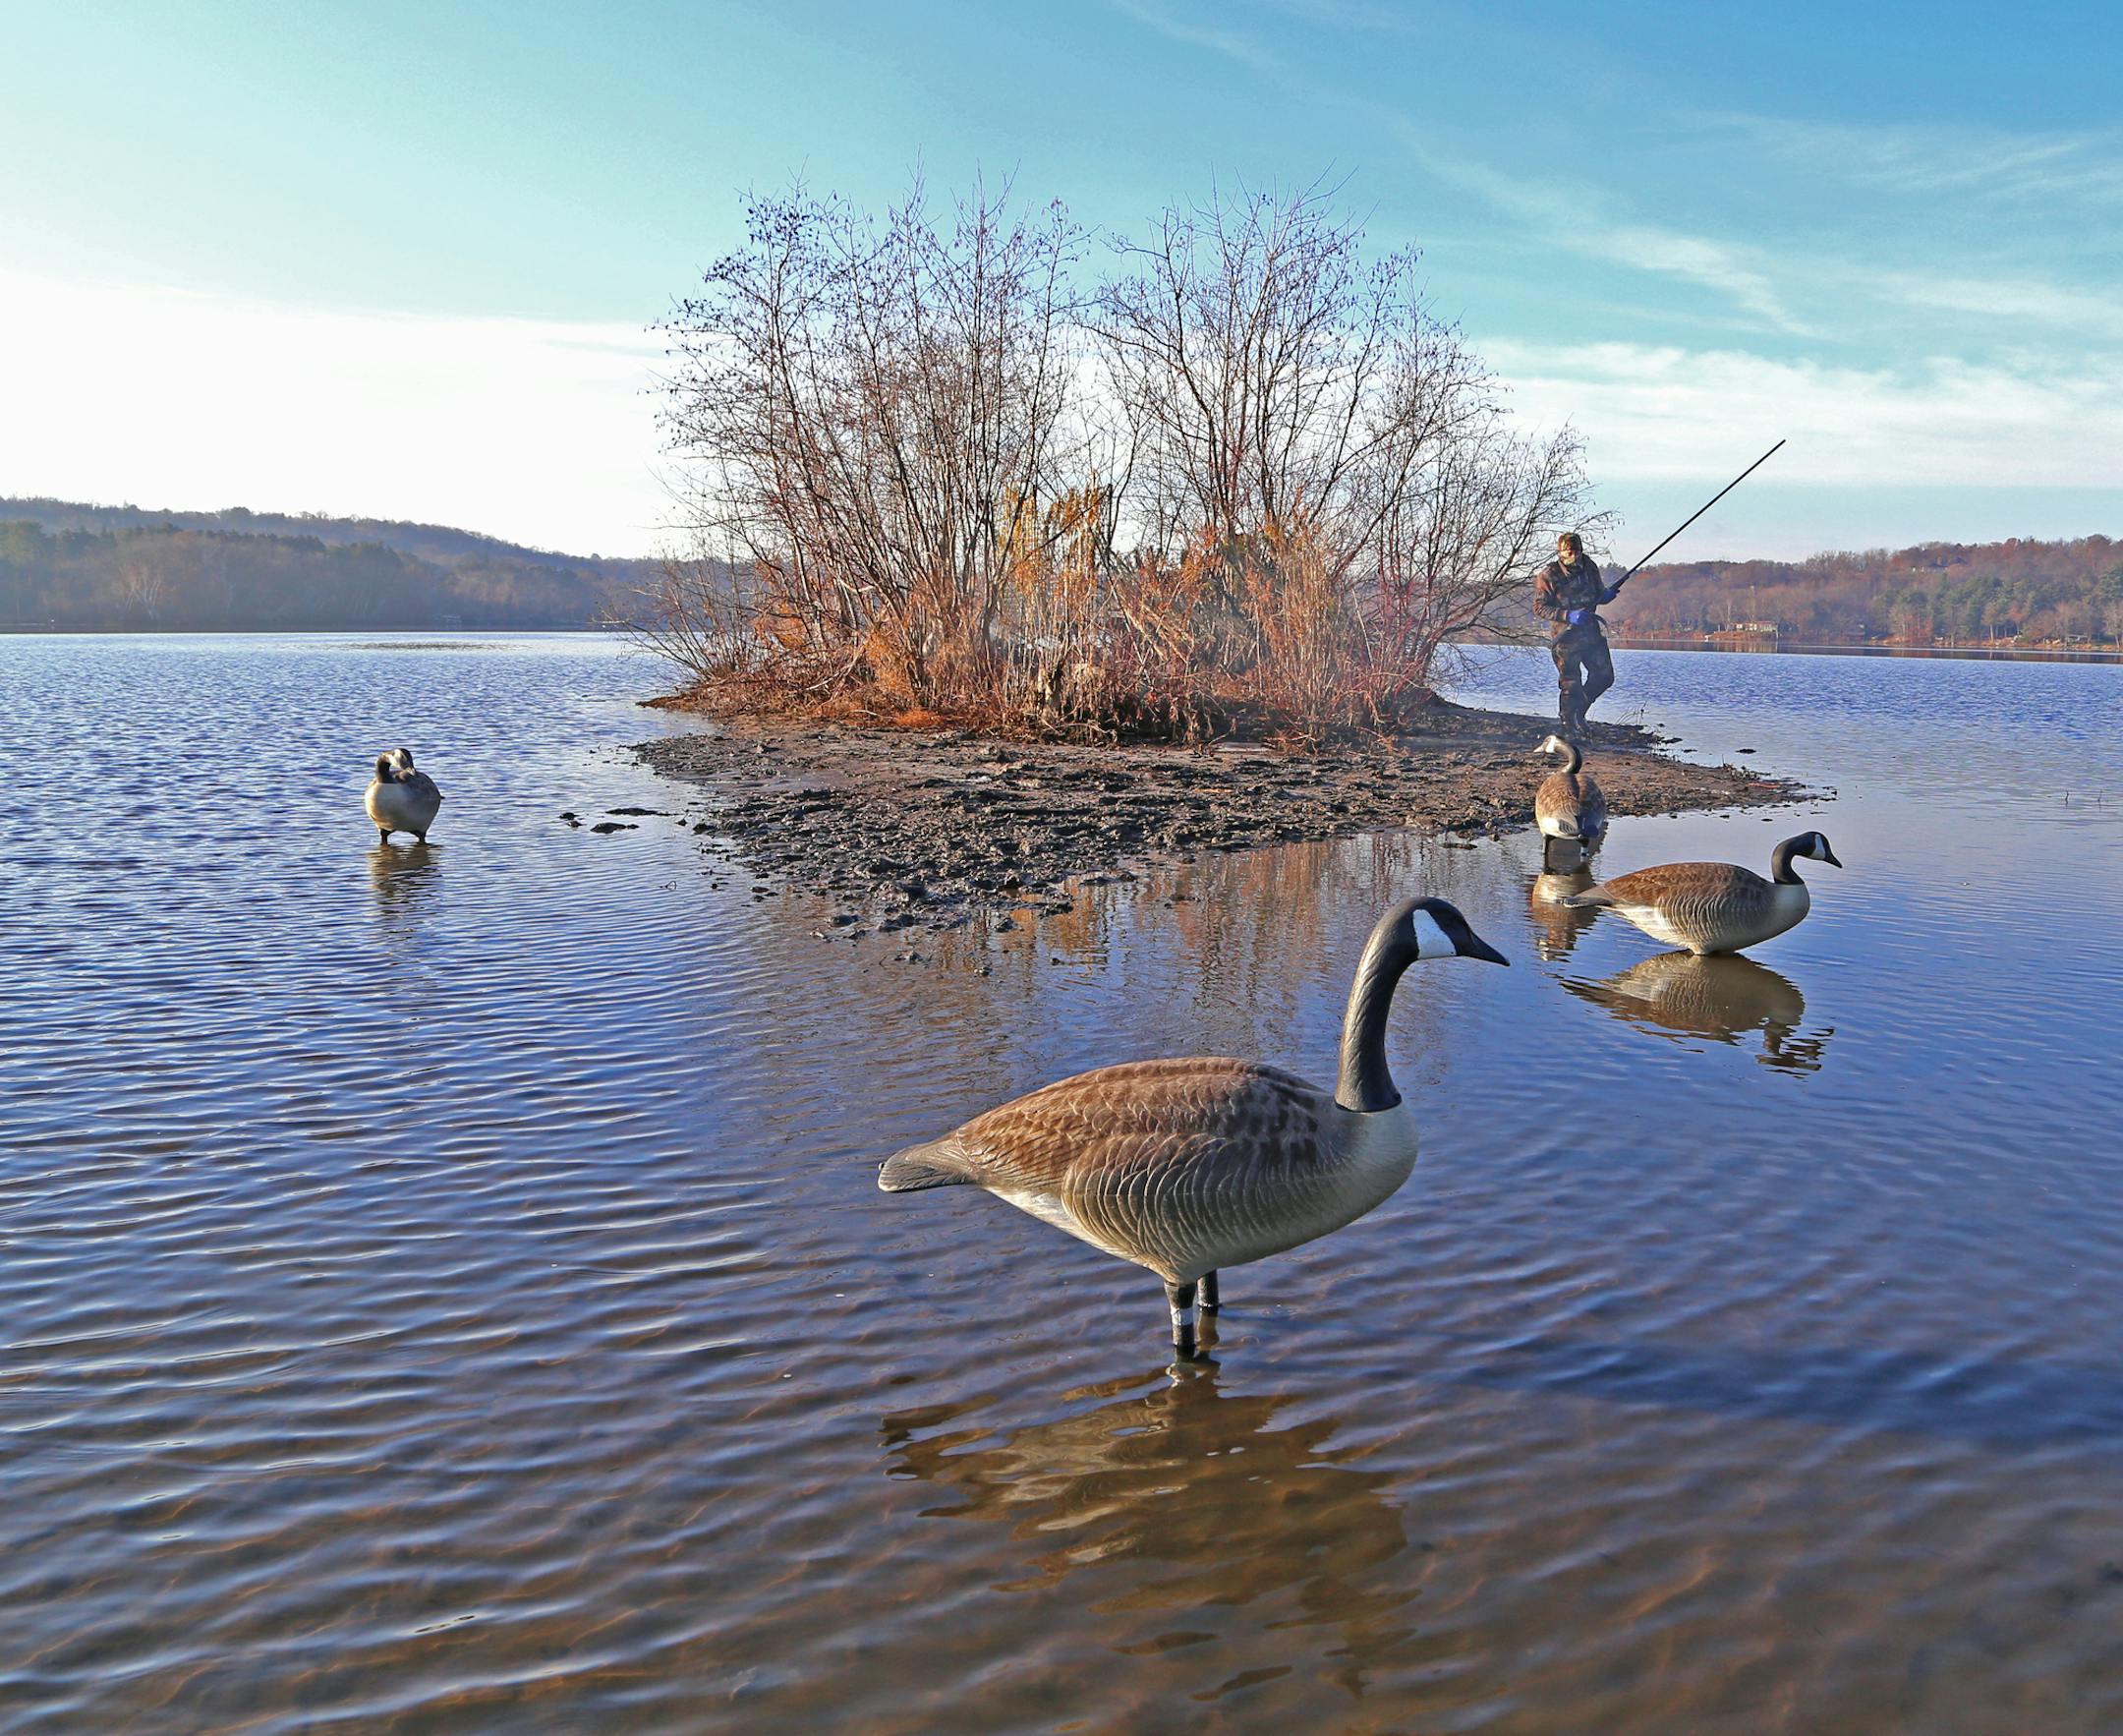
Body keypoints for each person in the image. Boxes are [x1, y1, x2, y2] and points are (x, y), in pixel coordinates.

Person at [1532, 531, 1621, 740]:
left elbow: (1598, 593)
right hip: (1565, 638)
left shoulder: (1590, 567)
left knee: (1604, 676)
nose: (1572, 554)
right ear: (1560, 551)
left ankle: (1579, 712)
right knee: (1570, 684)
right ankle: (1567, 725)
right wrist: (1568, 615)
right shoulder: (1548, 575)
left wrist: (1606, 596)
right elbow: (1539, 607)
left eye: (1576, 550)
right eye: (1568, 551)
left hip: (1591, 634)